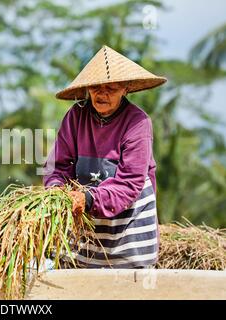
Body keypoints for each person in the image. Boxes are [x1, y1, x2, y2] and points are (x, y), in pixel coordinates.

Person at [43, 45, 167, 268]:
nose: (102, 94)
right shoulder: (75, 116)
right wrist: (57, 193)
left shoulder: (138, 123)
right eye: (96, 88)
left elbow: (129, 183)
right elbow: (57, 167)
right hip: (86, 231)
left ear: (125, 89)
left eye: (111, 88)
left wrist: (88, 199)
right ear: (87, 89)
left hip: (128, 234)